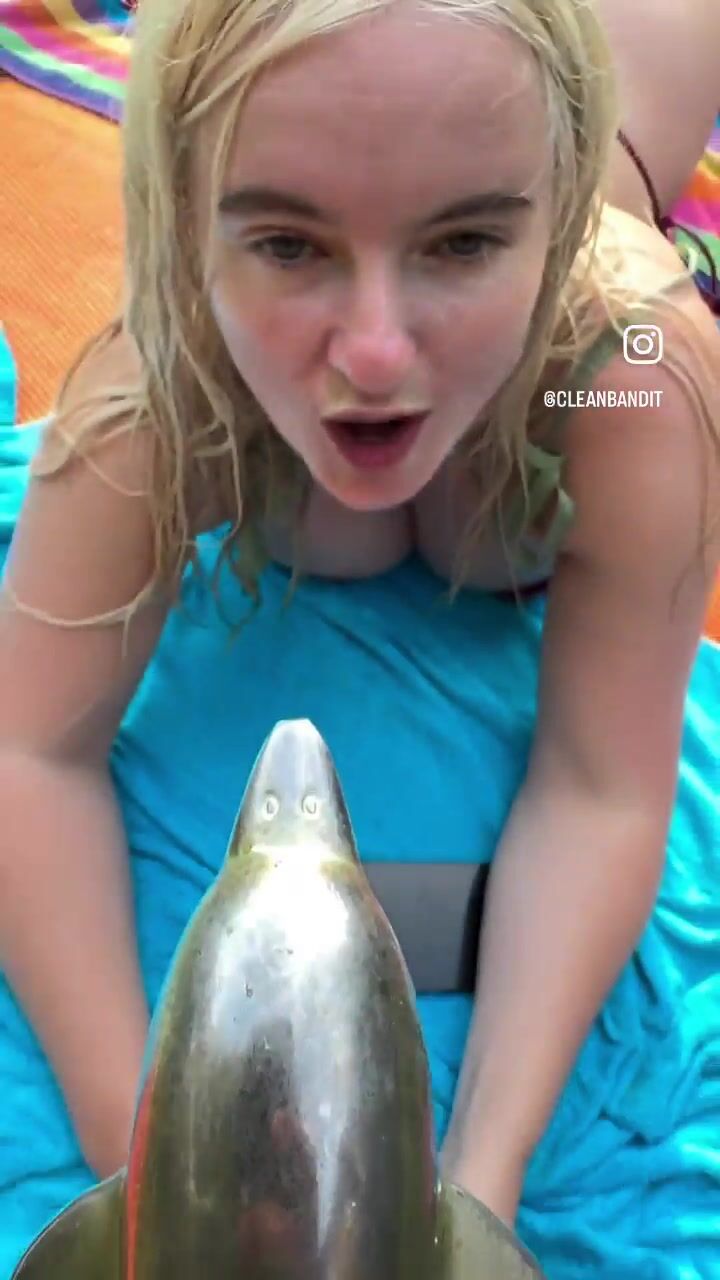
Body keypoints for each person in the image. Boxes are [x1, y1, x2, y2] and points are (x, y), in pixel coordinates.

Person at [0, 0, 718, 1241]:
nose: (377, 355)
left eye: (465, 241)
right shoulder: (159, 393)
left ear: (552, 222)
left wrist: (479, 1192)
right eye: (288, 243)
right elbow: (24, 752)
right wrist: (155, 1178)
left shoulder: (628, 383)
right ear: (184, 219)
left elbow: (604, 789)